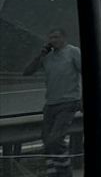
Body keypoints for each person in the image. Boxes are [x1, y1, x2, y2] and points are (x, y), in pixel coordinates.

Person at [23, 28, 81, 177]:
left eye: (56, 37)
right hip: (50, 103)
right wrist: (40, 55)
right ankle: (53, 173)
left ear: (64, 38)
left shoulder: (73, 52)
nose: (53, 41)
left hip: (68, 101)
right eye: (50, 38)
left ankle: (65, 173)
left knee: (55, 141)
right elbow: (27, 72)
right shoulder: (47, 56)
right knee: (47, 141)